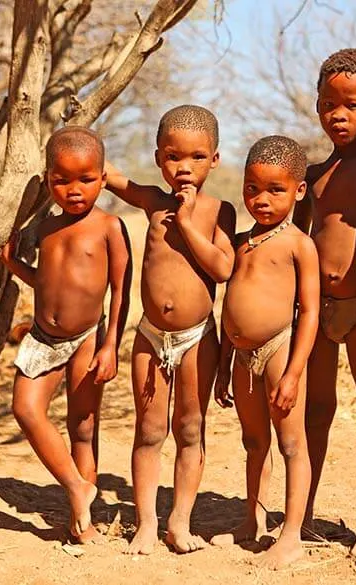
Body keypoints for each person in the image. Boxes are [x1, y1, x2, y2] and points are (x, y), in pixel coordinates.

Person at [104, 105, 236, 554]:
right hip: (150, 335)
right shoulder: (152, 202)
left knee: (191, 428)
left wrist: (186, 221)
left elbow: (222, 268)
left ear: (214, 159)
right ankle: (145, 523)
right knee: (148, 429)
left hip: (198, 337)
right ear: (159, 157)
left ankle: (179, 522)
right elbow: (110, 176)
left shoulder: (220, 211)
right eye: (173, 156)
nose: (184, 167)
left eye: (197, 157)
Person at [1, 126, 131, 544]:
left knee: (83, 426)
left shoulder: (110, 226)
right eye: (62, 181)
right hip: (42, 336)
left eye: (86, 180)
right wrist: (14, 265)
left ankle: (83, 525)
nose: (74, 190)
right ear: (48, 179)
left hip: (89, 337)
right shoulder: (45, 229)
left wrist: (111, 344)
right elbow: (46, 281)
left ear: (104, 178)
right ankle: (77, 486)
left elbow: (121, 289)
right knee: (26, 409)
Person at [293, 48, 356, 559]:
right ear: (317, 106)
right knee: (316, 411)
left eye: (352, 105)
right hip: (317, 309)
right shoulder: (311, 177)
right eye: (330, 104)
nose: (339, 115)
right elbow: (297, 242)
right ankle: (302, 510)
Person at [211, 135, 319, 569]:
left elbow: (309, 312)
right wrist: (222, 364)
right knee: (254, 441)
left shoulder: (299, 245)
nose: (261, 199)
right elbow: (226, 310)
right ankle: (251, 520)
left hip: (279, 350)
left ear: (299, 190)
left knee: (292, 444)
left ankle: (290, 535)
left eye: (276, 190)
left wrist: (293, 372)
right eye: (252, 188)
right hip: (240, 355)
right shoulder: (238, 242)